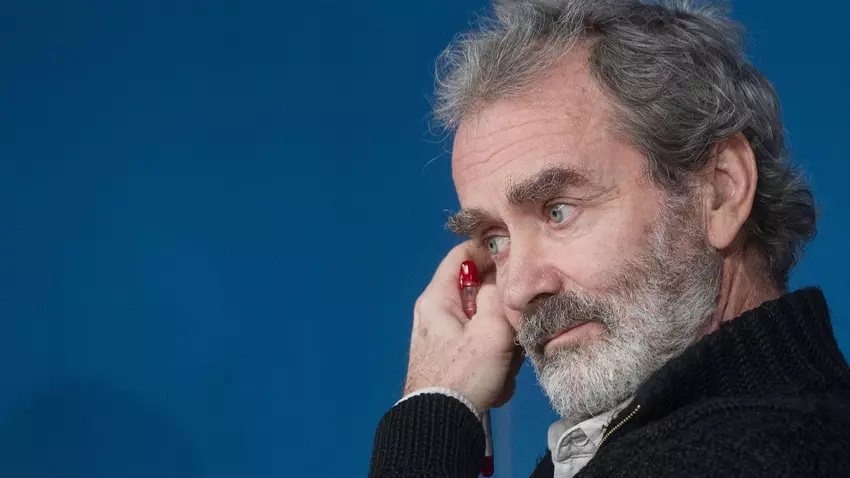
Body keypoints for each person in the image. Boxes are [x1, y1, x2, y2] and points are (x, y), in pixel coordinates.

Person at [369, 0, 850, 476]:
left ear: (720, 191)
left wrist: (432, 410)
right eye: (494, 240)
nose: (516, 289)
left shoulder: (744, 455)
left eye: (558, 211)